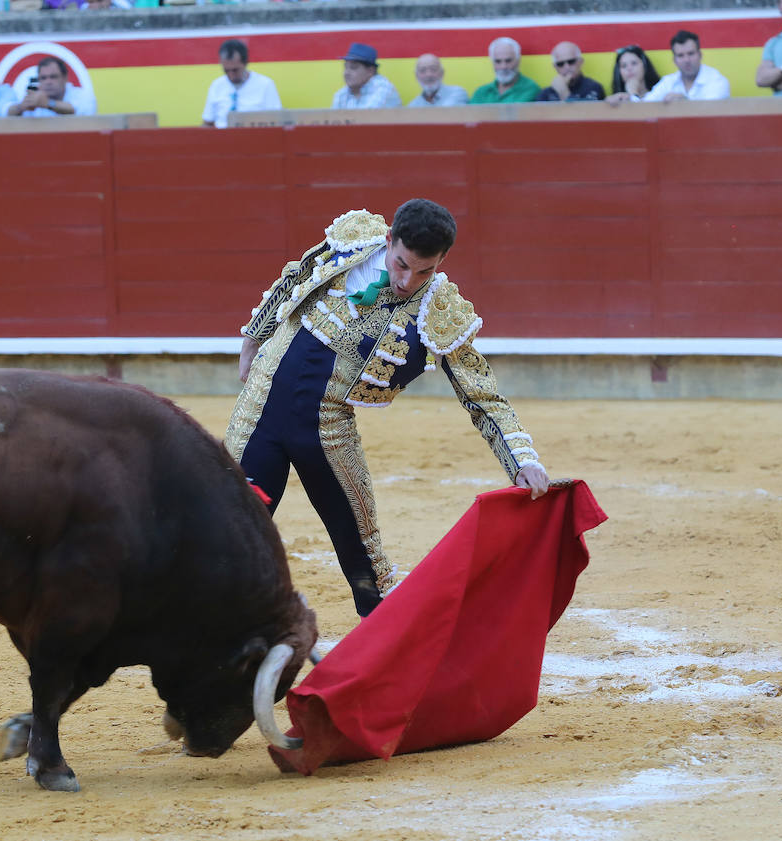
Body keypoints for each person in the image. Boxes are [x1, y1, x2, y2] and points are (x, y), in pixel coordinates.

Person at [226, 199, 550, 617]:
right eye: (400, 264)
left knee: (366, 561)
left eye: (424, 271)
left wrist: (521, 459)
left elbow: (482, 394)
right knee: (225, 531)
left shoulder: (438, 308)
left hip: (325, 430)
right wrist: (254, 337)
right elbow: (296, 277)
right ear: (388, 241)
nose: (406, 280)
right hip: (259, 409)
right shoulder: (351, 243)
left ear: (441, 262)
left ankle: (388, 657)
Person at [201, 39, 283, 128]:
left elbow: (277, 122)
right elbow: (207, 123)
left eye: (235, 70)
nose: (231, 76)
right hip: (222, 138)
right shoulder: (217, 85)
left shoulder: (265, 85)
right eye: (226, 71)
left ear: (245, 63)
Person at [643, 31, 731, 101]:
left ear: (700, 55)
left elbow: (710, 111)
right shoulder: (668, 82)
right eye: (681, 55)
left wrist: (686, 103)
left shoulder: (717, 80)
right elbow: (647, 105)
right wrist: (633, 95)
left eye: (691, 54)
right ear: (674, 60)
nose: (687, 60)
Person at [7, 57, 98, 117]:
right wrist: (21, 107)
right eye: (43, 78)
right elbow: (5, 112)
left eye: (53, 77)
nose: (48, 82)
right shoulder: (33, 98)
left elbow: (86, 110)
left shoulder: (82, 95)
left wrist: (49, 103)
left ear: (65, 78)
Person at [330, 43, 402, 110]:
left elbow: (365, 119)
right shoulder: (342, 94)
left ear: (370, 71)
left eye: (353, 67)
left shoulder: (383, 88)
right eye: (345, 67)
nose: (346, 73)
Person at [469, 37, 540, 104]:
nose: (503, 67)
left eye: (508, 61)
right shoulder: (481, 93)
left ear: (518, 60)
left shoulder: (530, 90)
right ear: (492, 62)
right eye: (498, 61)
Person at [536, 41, 606, 101]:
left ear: (580, 62)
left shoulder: (594, 87)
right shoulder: (546, 93)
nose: (567, 67)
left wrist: (564, 93)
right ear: (555, 67)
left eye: (571, 61)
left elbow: (586, 114)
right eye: (560, 64)